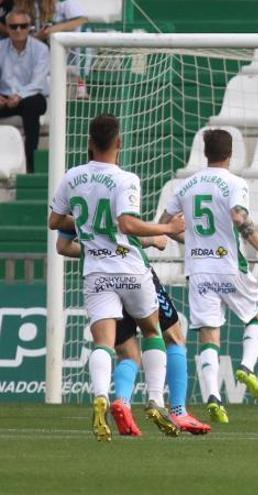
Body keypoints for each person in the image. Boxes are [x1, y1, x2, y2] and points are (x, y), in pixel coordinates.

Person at [48, 113, 186, 441]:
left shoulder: (72, 177)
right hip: (130, 269)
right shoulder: (126, 179)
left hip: (97, 272)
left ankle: (100, 395)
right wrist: (168, 227)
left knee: (104, 343)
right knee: (153, 331)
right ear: (119, 143)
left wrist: (87, 223)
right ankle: (154, 399)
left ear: (89, 144)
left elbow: (55, 222)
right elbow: (127, 224)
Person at [160, 129, 258, 423]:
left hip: (198, 271)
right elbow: (240, 218)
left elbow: (164, 226)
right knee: (255, 316)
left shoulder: (186, 186)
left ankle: (213, 397)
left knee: (208, 334)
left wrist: (191, 240)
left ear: (205, 153)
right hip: (228, 265)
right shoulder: (235, 183)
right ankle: (247, 367)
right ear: (230, 154)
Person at [55, 230, 212, 436]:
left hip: (99, 278)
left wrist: (97, 250)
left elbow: (62, 246)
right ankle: (176, 410)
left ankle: (122, 402)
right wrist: (155, 236)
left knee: (126, 352)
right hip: (134, 272)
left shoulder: (71, 201)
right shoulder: (118, 196)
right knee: (172, 336)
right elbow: (126, 227)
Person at [0, 9, 48, 173]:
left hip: (31, 96)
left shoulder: (41, 49)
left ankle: (31, 165)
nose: (18, 30)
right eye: (14, 26)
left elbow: (38, 82)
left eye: (23, 26)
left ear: (29, 28)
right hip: (5, 97)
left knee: (31, 107)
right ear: (7, 28)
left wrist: (19, 96)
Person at [17, 0, 89, 98]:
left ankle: (80, 87)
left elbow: (81, 20)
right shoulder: (24, 5)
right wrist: (39, 36)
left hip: (66, 59)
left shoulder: (64, 2)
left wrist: (54, 29)